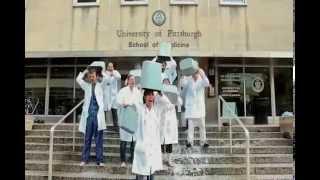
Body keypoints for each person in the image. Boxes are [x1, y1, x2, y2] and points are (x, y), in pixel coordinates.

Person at [132, 89, 173, 180]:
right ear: (144, 97)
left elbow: (169, 105)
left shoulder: (157, 109)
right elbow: (134, 102)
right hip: (142, 145)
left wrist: (161, 94)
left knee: (151, 172)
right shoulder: (140, 108)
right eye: (148, 95)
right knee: (140, 172)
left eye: (152, 95)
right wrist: (140, 91)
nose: (150, 97)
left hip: (153, 147)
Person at [76, 67, 108, 166]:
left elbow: (106, 79)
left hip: (98, 116)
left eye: (93, 76)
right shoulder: (86, 86)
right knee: (87, 139)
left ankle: (100, 160)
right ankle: (84, 159)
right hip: (89, 116)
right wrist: (85, 71)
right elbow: (78, 79)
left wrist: (101, 72)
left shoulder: (101, 85)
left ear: (96, 76)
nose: (91, 78)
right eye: (90, 77)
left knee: (99, 140)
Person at [116, 75, 142, 168]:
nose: (132, 82)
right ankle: (123, 160)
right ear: (127, 81)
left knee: (133, 141)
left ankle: (132, 159)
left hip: (134, 118)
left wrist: (134, 105)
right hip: (125, 118)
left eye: (134, 80)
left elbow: (140, 104)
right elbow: (118, 101)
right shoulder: (122, 91)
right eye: (131, 80)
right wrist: (124, 104)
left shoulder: (138, 92)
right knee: (123, 141)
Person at [181, 68, 210, 148]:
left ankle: (203, 141)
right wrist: (184, 74)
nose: (195, 74)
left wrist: (203, 74)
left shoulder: (202, 80)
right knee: (190, 126)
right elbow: (183, 87)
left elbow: (207, 83)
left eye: (197, 73)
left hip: (199, 107)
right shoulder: (188, 81)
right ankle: (189, 142)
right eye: (194, 73)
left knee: (202, 126)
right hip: (191, 108)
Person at [160, 78, 181, 167]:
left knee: (169, 141)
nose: (166, 84)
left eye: (167, 83)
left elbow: (180, 102)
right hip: (161, 119)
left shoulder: (174, 93)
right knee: (161, 141)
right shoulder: (159, 94)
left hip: (171, 119)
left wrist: (175, 97)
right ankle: (160, 160)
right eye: (164, 83)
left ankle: (169, 160)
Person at [103, 62, 121, 131]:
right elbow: (104, 81)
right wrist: (108, 76)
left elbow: (119, 77)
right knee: (104, 110)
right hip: (106, 95)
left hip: (113, 95)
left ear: (113, 67)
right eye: (109, 66)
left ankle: (116, 126)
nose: (110, 68)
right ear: (107, 67)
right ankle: (103, 126)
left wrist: (112, 74)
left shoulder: (115, 72)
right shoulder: (104, 73)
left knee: (114, 110)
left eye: (111, 67)